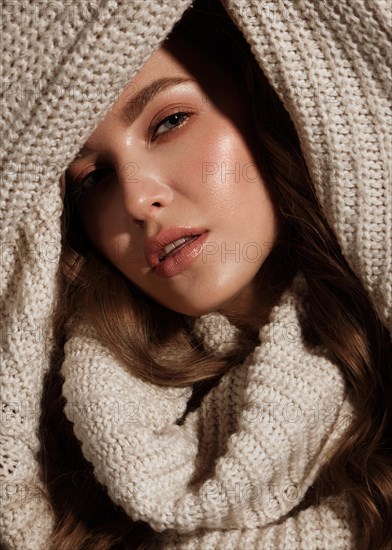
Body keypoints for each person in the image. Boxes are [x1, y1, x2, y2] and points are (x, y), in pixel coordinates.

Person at [1, 1, 391, 549]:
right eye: (93, 178)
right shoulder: (64, 472)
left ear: (270, 99)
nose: (138, 199)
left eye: (169, 122)